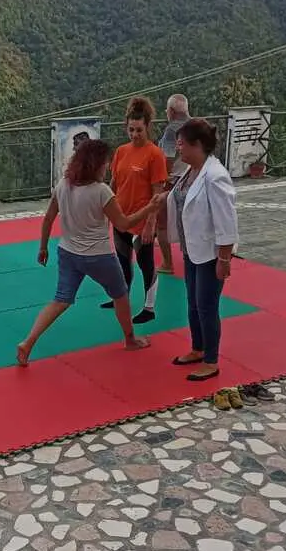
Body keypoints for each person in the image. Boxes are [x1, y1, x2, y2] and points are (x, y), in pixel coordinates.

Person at [17, 138, 160, 366]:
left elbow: (48, 219)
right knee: (121, 295)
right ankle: (130, 339)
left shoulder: (64, 185)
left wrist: (43, 247)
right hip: (98, 256)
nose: (107, 167)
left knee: (60, 300)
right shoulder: (101, 191)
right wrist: (150, 208)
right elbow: (123, 224)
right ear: (97, 164)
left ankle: (28, 342)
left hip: (67, 253)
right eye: (106, 163)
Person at [164, 118, 238, 382]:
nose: (179, 149)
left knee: (207, 305)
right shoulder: (191, 171)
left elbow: (226, 220)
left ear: (197, 145)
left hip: (210, 253)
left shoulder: (215, 176)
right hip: (191, 249)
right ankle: (197, 348)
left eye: (182, 144)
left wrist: (224, 258)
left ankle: (211, 360)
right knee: (193, 303)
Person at [101, 97, 168, 324]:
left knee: (145, 263)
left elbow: (157, 194)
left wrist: (151, 224)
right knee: (122, 261)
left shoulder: (154, 155)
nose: (135, 134)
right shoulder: (121, 151)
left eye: (139, 130)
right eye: (131, 130)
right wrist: (105, 209)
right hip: (122, 218)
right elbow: (114, 184)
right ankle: (122, 298)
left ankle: (149, 307)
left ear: (147, 127)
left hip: (141, 221)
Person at [156, 93, 192, 274]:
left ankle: (167, 263)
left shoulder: (172, 130)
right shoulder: (196, 126)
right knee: (190, 221)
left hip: (174, 181)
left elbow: (167, 160)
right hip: (193, 179)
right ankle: (193, 259)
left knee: (161, 221)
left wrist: (160, 180)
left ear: (170, 111)